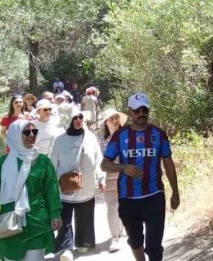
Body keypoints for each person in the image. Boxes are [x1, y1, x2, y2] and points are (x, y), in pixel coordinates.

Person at [101, 93, 180, 261]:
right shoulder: (120, 136)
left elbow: (168, 163)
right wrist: (123, 167)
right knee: (135, 240)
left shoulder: (159, 134)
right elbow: (104, 164)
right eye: (137, 111)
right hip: (128, 198)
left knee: (154, 246)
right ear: (130, 112)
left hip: (154, 196)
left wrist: (175, 192)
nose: (141, 114)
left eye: (144, 110)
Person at [0, 120, 63, 261]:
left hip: (37, 223)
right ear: (15, 135)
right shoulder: (3, 162)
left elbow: (52, 190)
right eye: (26, 132)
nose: (31, 135)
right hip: (10, 224)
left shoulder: (43, 161)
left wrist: (55, 214)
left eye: (34, 132)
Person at [50, 112, 106, 259]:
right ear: (68, 120)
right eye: (74, 118)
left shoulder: (91, 138)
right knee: (65, 218)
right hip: (65, 187)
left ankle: (83, 242)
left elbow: (98, 159)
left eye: (80, 117)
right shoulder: (60, 140)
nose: (78, 120)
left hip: (86, 186)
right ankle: (66, 248)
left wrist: (101, 178)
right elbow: (52, 163)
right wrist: (52, 183)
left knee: (85, 215)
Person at [98, 108, 129, 252]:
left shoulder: (127, 135)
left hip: (125, 174)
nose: (115, 121)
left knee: (124, 205)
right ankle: (114, 238)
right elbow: (97, 160)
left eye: (116, 118)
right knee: (112, 207)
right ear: (106, 122)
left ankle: (122, 228)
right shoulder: (100, 140)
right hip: (108, 176)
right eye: (111, 118)